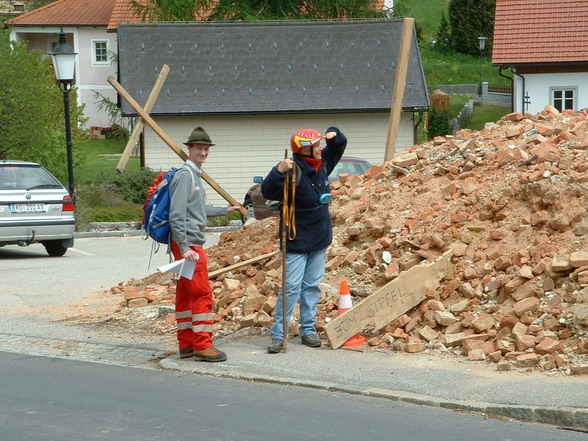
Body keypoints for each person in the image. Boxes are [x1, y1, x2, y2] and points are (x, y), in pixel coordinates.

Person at [261, 127, 347, 354]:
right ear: (306, 150)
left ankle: (307, 329)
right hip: (296, 236)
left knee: (311, 286)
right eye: (317, 145)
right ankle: (279, 335)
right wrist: (278, 171)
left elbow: (339, 145)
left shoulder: (323, 162)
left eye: (320, 144)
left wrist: (333, 133)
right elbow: (268, 191)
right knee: (290, 288)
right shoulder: (291, 169)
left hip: (319, 235)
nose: (321, 148)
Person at [169, 126, 239, 362]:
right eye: (199, 148)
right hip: (190, 247)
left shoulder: (194, 176)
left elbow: (196, 211)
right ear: (189, 149)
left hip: (187, 245)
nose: (203, 152)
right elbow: (176, 215)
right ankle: (203, 346)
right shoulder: (185, 175)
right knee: (201, 294)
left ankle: (187, 345)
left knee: (186, 296)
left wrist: (224, 210)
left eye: (206, 148)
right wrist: (186, 247)